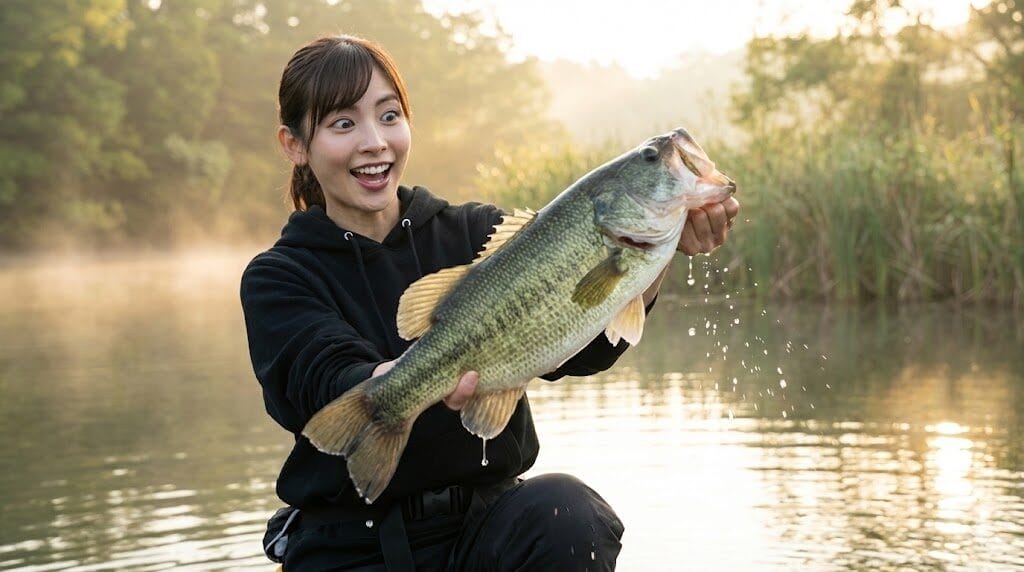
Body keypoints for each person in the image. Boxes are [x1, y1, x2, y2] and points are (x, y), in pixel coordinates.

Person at [240, 34, 740, 572]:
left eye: (389, 116)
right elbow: (320, 376)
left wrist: (656, 257)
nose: (374, 142)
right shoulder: (278, 276)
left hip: (487, 529)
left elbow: (583, 348)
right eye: (344, 124)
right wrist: (409, 382)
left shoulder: (479, 233)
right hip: (353, 548)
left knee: (568, 513)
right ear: (294, 145)